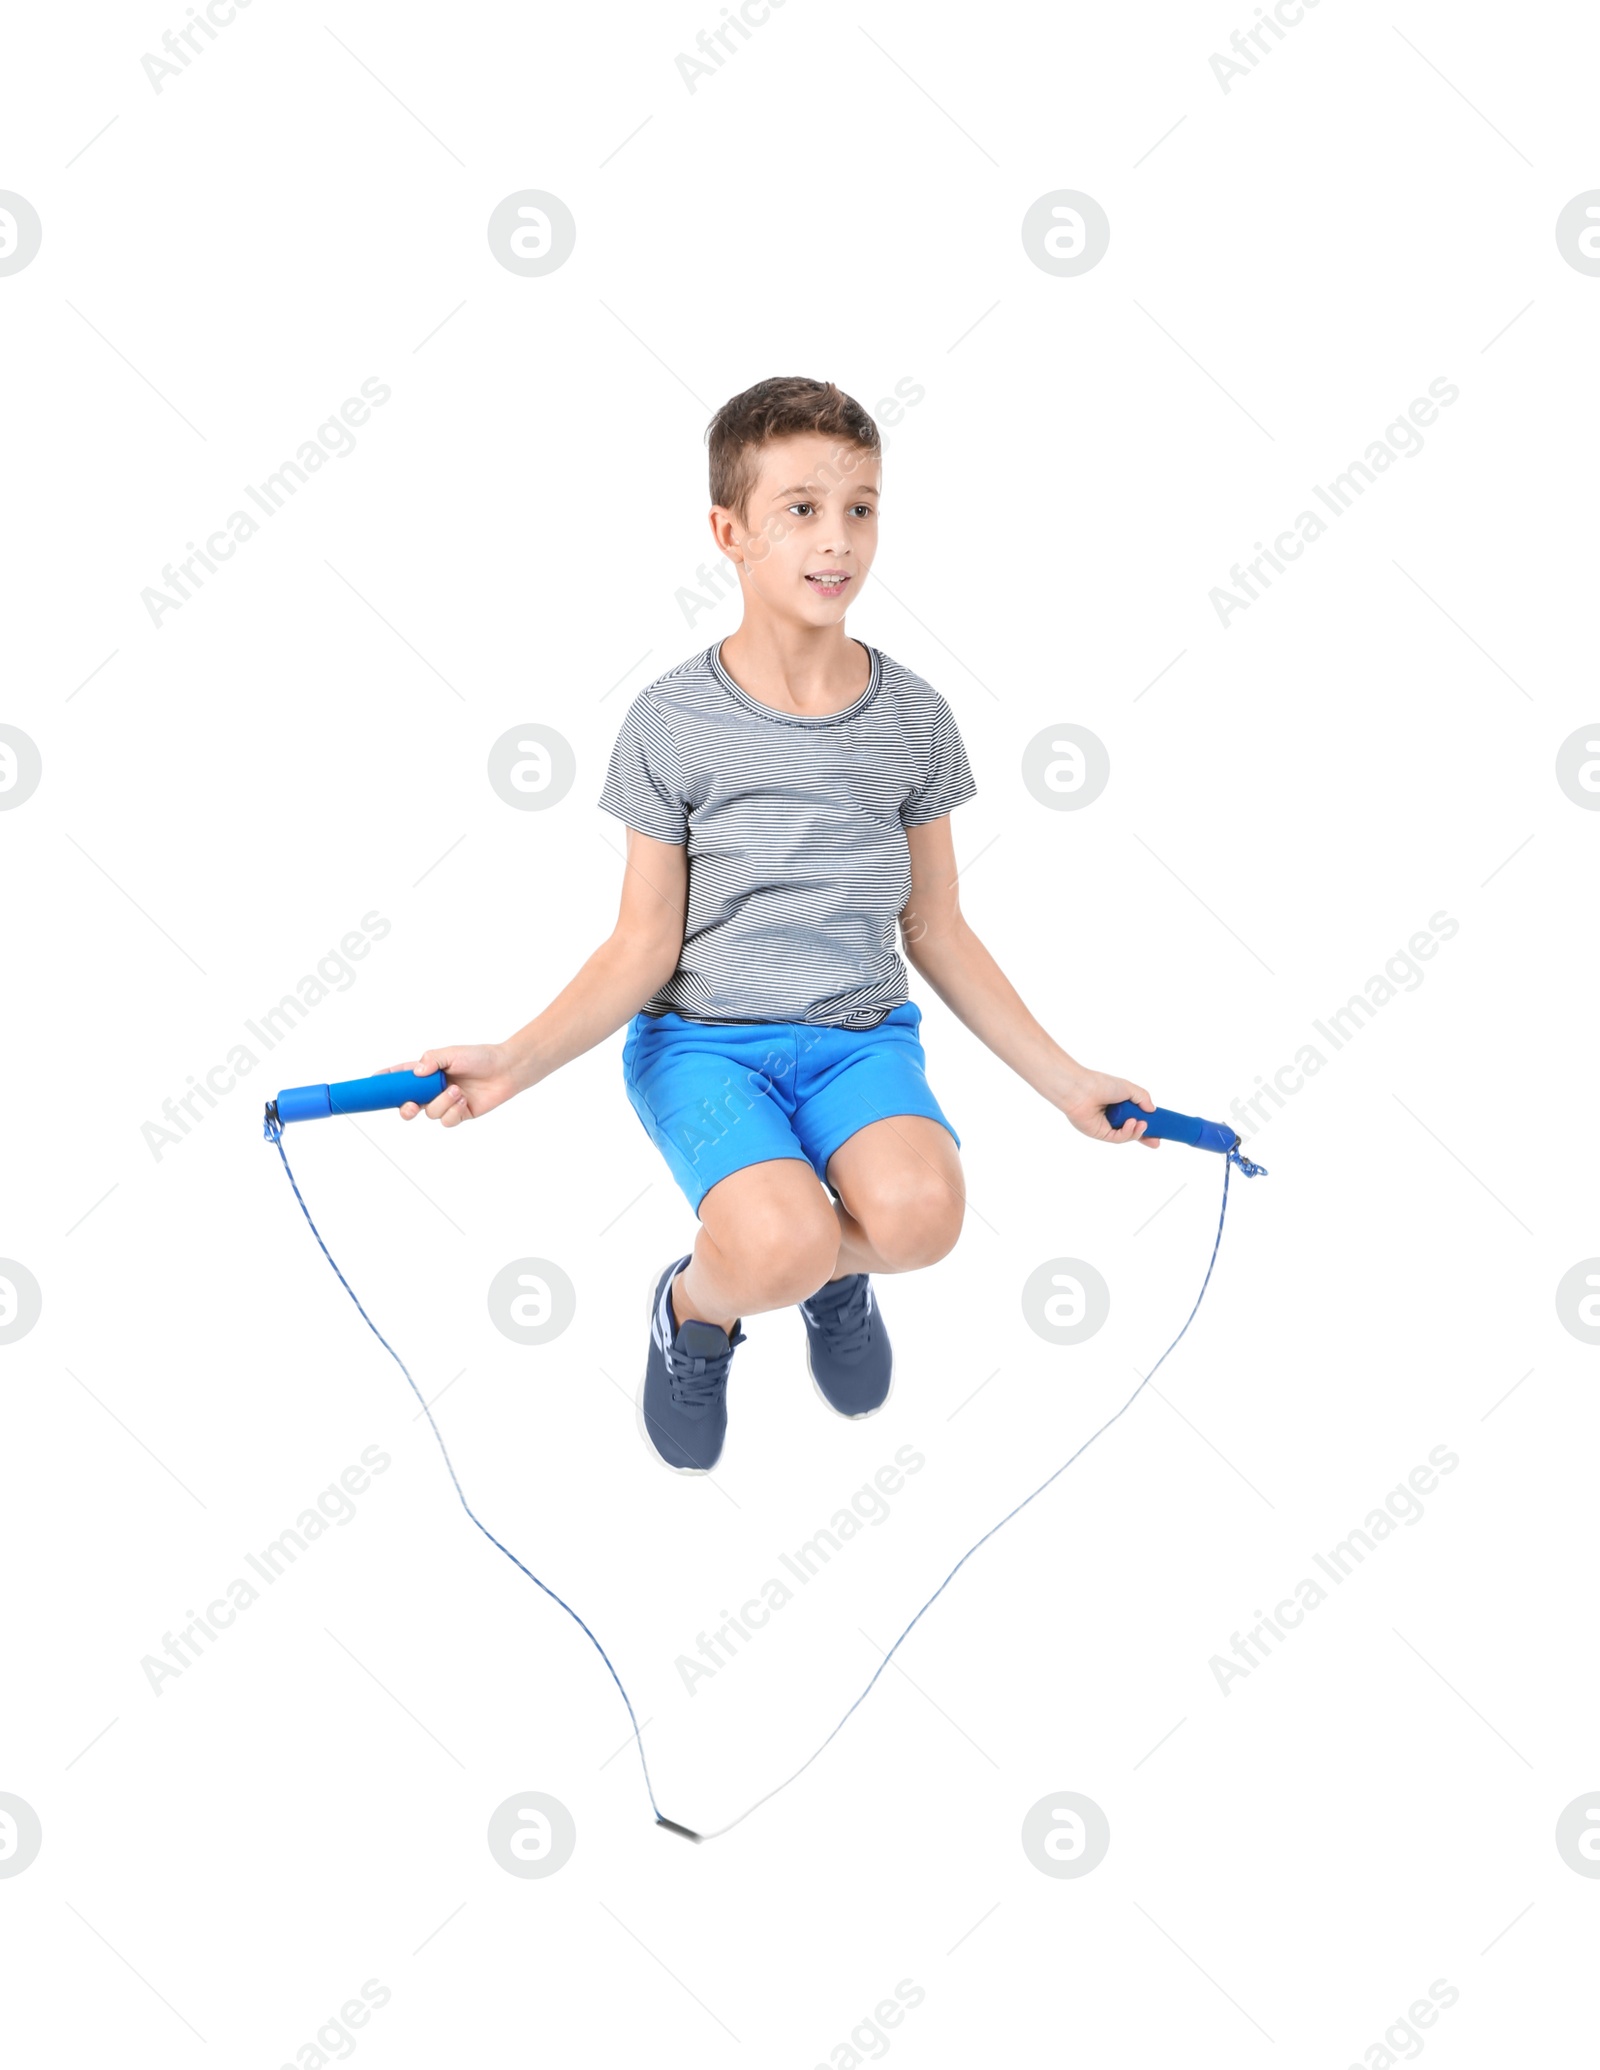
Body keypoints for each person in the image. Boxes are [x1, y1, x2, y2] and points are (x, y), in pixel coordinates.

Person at [389, 376, 1156, 1475]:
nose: (835, 538)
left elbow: (937, 927)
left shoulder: (914, 718)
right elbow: (640, 945)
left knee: (923, 1222)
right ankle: (700, 1309)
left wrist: (1065, 1079)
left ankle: (820, 1275)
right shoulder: (670, 720)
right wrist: (512, 1062)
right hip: (704, 1049)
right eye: (799, 508)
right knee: (781, 1239)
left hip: (857, 1041)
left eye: (861, 506)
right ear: (729, 531)